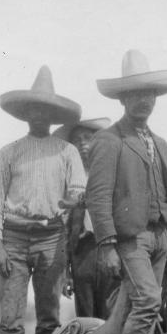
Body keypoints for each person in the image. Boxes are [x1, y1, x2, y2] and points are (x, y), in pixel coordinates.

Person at [85, 49, 167, 334]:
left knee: (134, 308)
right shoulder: (108, 141)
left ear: (155, 98)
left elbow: (163, 192)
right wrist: (107, 243)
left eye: (148, 94)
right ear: (123, 99)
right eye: (134, 95)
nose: (143, 101)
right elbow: (97, 197)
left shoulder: (160, 144)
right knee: (147, 302)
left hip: (159, 236)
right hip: (130, 239)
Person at [0, 66, 86, 334]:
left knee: (49, 318)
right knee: (12, 319)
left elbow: (78, 189)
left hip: (51, 237)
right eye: (34, 109)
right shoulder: (9, 153)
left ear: (54, 115)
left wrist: (73, 200)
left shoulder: (67, 151)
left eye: (45, 110)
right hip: (14, 238)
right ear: (26, 113)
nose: (39, 115)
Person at [58, 116, 120, 319]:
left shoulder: (112, 172)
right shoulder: (68, 179)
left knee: (111, 310)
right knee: (86, 315)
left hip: (110, 247)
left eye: (88, 138)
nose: (83, 144)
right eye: (77, 140)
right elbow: (65, 227)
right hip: (82, 252)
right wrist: (65, 271)